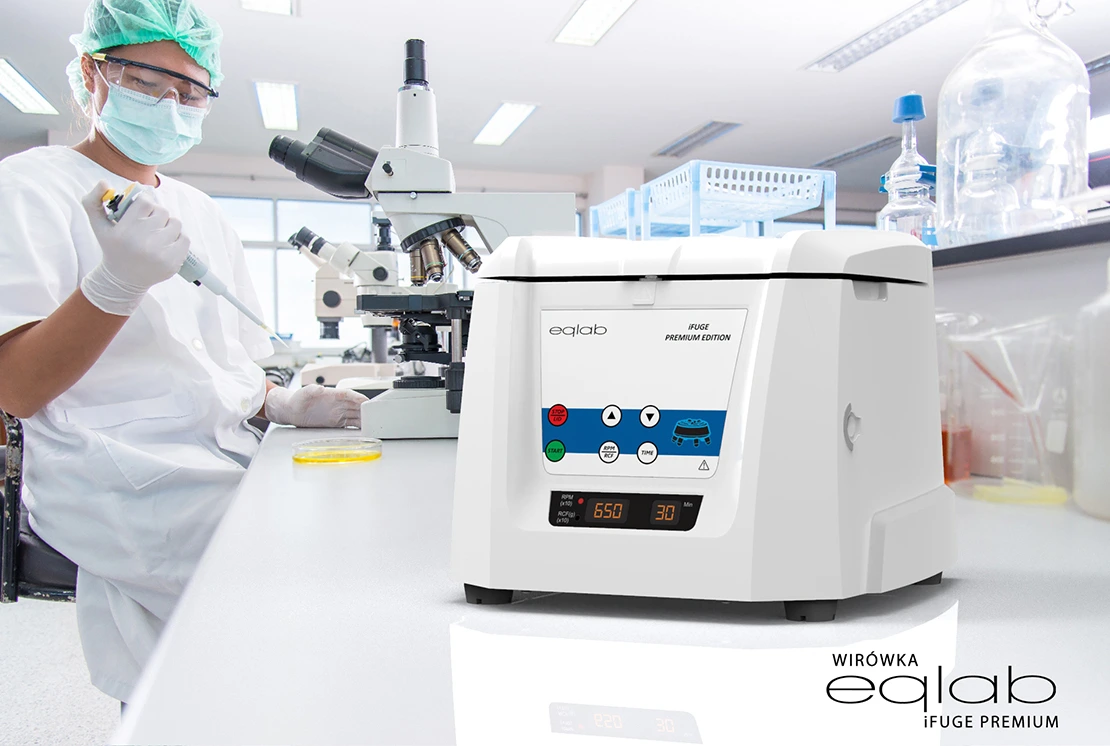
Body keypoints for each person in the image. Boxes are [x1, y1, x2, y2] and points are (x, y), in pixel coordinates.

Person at [0, 0, 367, 703]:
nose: (170, 105)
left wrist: (282, 402)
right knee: (287, 589)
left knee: (337, 533)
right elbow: (15, 387)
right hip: (111, 471)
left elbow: (225, 367)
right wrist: (115, 284)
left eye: (192, 92)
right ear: (92, 72)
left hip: (221, 454)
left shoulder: (202, 212)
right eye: (146, 81)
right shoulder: (28, 188)